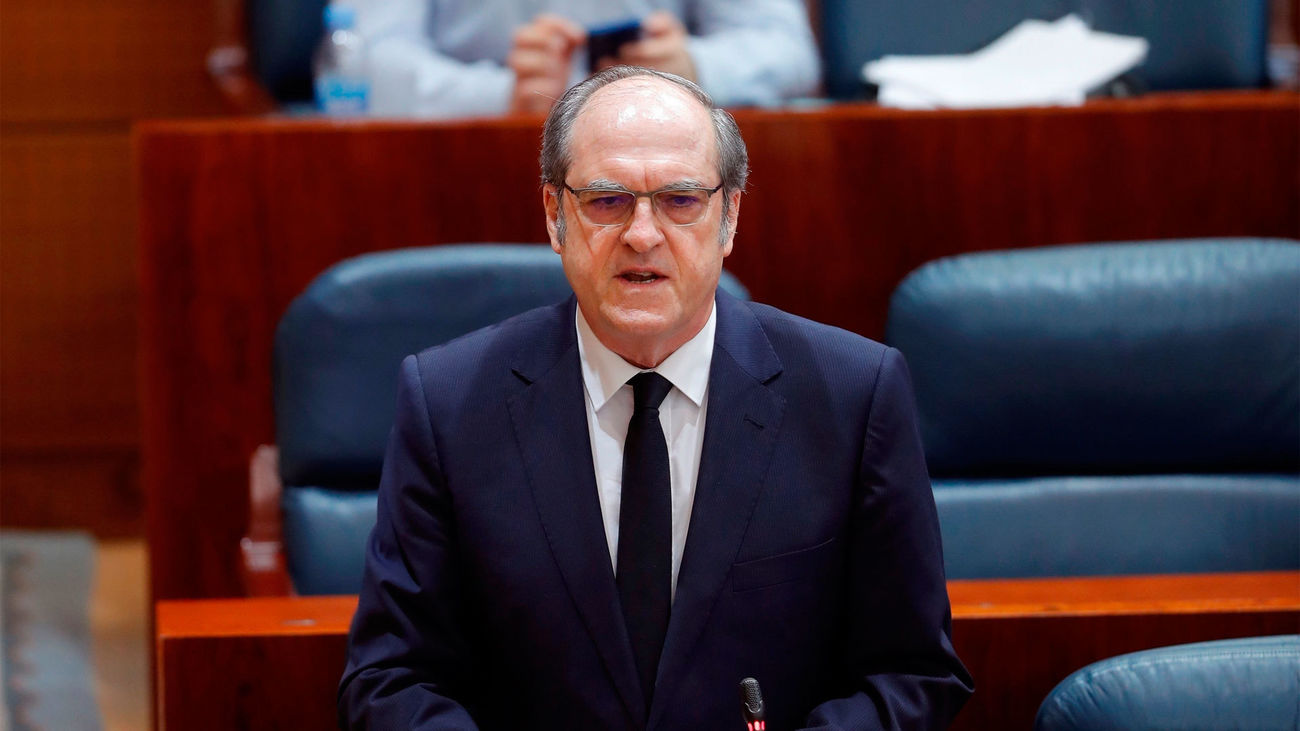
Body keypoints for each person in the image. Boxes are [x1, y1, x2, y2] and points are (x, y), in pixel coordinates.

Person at [339, 66, 972, 729]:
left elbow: (913, 671)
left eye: (680, 200)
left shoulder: (852, 394)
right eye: (607, 201)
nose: (643, 234)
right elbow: (390, 678)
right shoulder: (449, 401)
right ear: (555, 215)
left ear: (729, 217)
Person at [353, 0, 819, 117]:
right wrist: (502, 95)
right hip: (468, 157)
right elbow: (359, 61)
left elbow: (787, 51)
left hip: (666, 141)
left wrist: (691, 68)